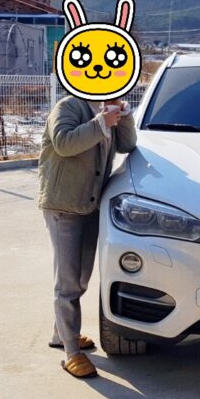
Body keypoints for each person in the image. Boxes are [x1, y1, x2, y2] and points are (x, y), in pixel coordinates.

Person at [38, 94, 137, 378]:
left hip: (91, 205)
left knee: (81, 277)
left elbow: (128, 144)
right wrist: (100, 122)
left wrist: (123, 114)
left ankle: (62, 332)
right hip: (63, 204)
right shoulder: (68, 107)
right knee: (68, 283)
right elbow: (64, 143)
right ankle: (71, 351)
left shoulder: (106, 111)